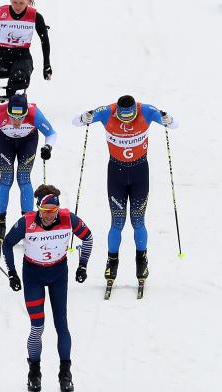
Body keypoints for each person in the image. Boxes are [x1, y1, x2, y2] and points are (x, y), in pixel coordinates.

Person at [73, 95, 178, 283]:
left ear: (135, 112)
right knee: (117, 222)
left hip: (139, 173)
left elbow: (174, 125)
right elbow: (76, 122)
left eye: (130, 119)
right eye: (123, 119)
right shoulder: (107, 111)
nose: (127, 122)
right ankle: (112, 261)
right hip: (116, 174)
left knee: (138, 221)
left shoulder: (146, 110)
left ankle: (141, 260)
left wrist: (168, 119)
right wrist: (84, 117)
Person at [1, 185, 93, 392]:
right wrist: (12, 273)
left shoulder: (69, 218)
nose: (49, 217)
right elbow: (6, 244)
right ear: (39, 210)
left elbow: (88, 237)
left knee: (62, 324)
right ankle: (34, 372)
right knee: (37, 327)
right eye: (45, 212)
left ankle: (65, 373)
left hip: (58, 275)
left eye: (53, 212)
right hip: (33, 275)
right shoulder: (27, 221)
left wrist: (83, 265)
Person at [0, 94, 56, 249]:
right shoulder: (0, 113)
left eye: (21, 118)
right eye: (13, 118)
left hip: (28, 141)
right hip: (5, 140)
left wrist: (48, 147)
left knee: (24, 178)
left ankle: (28, 222)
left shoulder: (34, 113)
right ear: (8, 112)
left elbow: (51, 133)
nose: (17, 122)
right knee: (6, 178)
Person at [0, 0, 51, 102]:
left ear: (28, 1)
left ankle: (11, 99)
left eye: (21, 3)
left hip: (22, 54)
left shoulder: (35, 17)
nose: (17, 6)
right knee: (3, 73)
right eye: (14, 2)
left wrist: (46, 65)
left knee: (19, 76)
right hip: (2, 54)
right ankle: (9, 100)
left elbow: (44, 40)